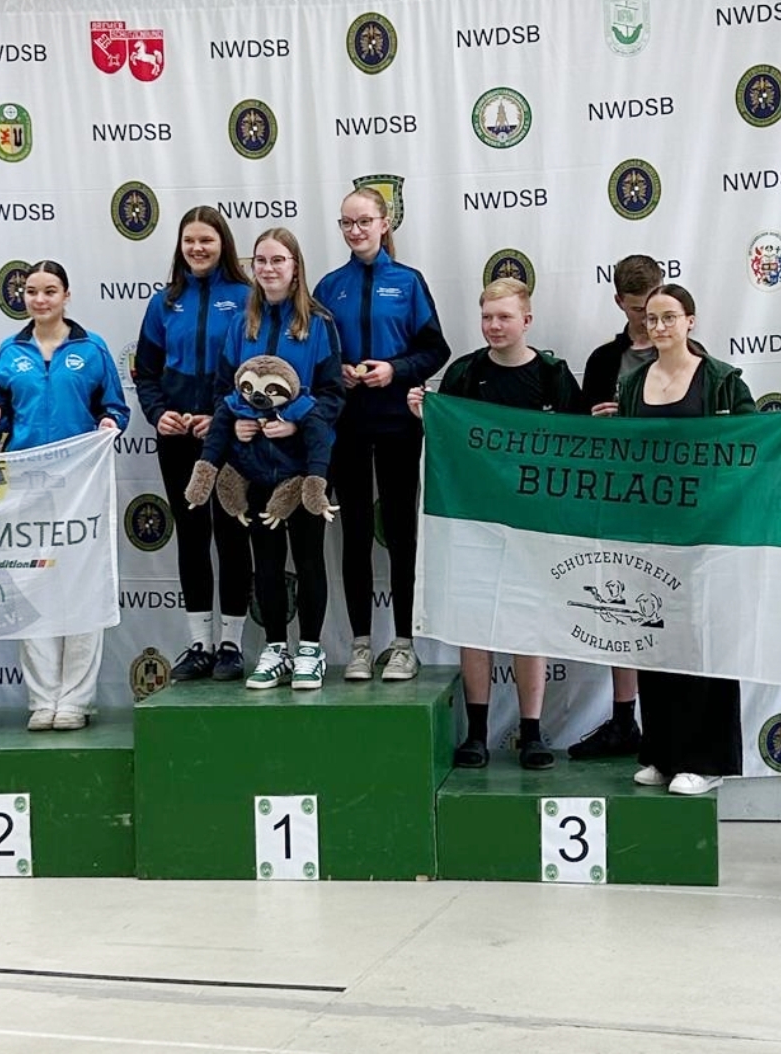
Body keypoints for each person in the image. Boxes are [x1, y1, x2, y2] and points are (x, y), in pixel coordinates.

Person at [407, 278, 581, 770]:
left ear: (527, 320)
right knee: (475, 625)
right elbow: (447, 444)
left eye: (504, 317)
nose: (494, 326)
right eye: (487, 317)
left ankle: (532, 733)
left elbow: (579, 444)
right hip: (475, 522)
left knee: (530, 626)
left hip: (535, 525)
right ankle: (477, 734)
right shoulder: (464, 373)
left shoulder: (553, 375)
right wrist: (426, 415)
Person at [0, 260, 130, 731]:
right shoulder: (10, 352)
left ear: (66, 295)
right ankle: (43, 699)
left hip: (81, 482)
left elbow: (115, 406)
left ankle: (76, 700)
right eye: (31, 291)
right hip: (25, 484)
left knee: (83, 586)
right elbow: (1, 412)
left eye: (49, 291)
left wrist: (110, 421)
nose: (39, 299)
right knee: (32, 586)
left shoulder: (91, 348)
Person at [615, 283, 755, 795]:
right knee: (654, 635)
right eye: (651, 319)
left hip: (708, 532)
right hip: (652, 530)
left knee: (705, 640)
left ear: (690, 321)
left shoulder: (721, 380)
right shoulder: (633, 383)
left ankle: (707, 760)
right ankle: (662, 752)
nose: (659, 327)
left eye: (669, 317)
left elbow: (752, 443)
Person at [314, 188, 451, 682]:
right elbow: (314, 354)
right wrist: (337, 372)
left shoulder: (408, 282)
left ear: (384, 222)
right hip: (347, 425)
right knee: (353, 534)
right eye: (347, 223)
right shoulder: (330, 286)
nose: (355, 230)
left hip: (397, 424)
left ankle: (404, 644)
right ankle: (359, 644)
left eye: (364, 221)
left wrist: (395, 370)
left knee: (400, 532)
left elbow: (435, 350)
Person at [217, 227, 344, 691]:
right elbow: (224, 391)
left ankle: (310, 649)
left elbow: (333, 394)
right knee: (265, 561)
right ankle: (275, 648)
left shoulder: (319, 323)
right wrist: (236, 425)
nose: (268, 269)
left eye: (278, 260)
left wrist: (293, 422)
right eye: (261, 261)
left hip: (304, 465)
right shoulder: (241, 324)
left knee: (308, 558)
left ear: (295, 267)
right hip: (254, 466)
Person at [134, 207, 254, 683]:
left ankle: (231, 644)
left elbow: (257, 370)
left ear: (223, 244)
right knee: (191, 534)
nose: (198, 248)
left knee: (232, 534)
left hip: (229, 439)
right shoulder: (165, 302)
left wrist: (223, 416)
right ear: (180, 247)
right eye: (190, 241)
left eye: (207, 240)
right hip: (178, 439)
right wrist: (158, 413)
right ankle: (199, 643)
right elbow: (146, 372)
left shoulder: (246, 297)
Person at [570, 253, 664, 760]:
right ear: (618, 303)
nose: (645, 319)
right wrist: (596, 423)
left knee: (667, 610)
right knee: (621, 606)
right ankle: (626, 719)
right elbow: (575, 434)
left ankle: (668, 722)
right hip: (617, 497)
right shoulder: (604, 360)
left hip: (672, 501)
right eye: (635, 310)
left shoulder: (692, 355)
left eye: (652, 307)